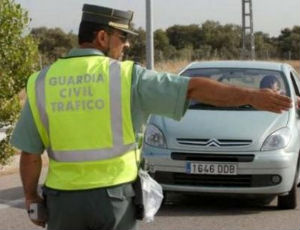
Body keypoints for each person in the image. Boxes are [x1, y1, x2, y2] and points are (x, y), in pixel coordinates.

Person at [10, 4, 292, 230]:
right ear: (102, 37)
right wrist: (252, 97)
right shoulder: (126, 77)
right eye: (123, 38)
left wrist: (31, 197)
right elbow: (192, 88)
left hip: (63, 203)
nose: (126, 46)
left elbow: (30, 154)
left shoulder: (41, 82)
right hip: (113, 201)